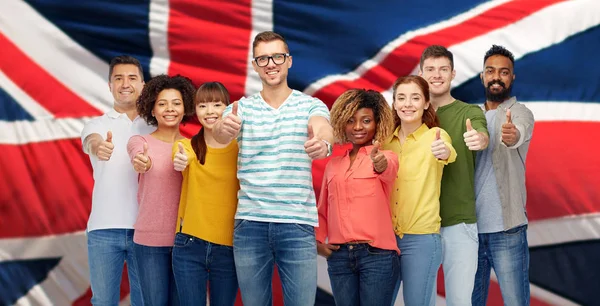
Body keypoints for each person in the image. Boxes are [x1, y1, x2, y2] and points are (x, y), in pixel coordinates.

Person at [213, 31, 334, 305]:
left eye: (277, 56)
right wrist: (223, 128)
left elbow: (324, 128)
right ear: (255, 65)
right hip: (250, 223)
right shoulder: (238, 109)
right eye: (263, 58)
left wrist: (322, 143)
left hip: (297, 223)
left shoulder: (310, 105)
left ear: (288, 61)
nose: (271, 63)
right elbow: (220, 134)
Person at [418, 45, 489, 305]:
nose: (437, 75)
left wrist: (478, 139)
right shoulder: (410, 116)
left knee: (459, 301)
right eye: (431, 69)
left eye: (443, 69)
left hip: (459, 222)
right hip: (417, 225)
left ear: (453, 73)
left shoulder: (469, 113)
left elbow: (481, 135)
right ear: (421, 73)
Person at [81, 55, 153, 306]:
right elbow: (91, 140)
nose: (125, 83)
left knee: (145, 301)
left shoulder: (154, 126)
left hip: (146, 230)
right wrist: (99, 146)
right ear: (109, 85)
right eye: (118, 78)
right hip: (103, 228)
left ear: (143, 85)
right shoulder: (97, 124)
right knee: (103, 301)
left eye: (132, 78)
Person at [316, 89, 399, 306]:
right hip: (340, 258)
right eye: (351, 121)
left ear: (377, 123)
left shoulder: (387, 157)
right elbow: (323, 210)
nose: (358, 127)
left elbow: (387, 169)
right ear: (342, 123)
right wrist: (317, 243)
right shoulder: (333, 165)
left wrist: (379, 162)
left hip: (377, 257)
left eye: (366, 121)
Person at [471, 45, 534, 306]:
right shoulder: (469, 115)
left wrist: (512, 135)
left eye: (504, 72)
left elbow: (520, 130)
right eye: (491, 71)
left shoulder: (520, 113)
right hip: (469, 233)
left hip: (507, 232)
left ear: (512, 78)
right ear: (482, 76)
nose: (497, 76)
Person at [386, 75, 457, 306]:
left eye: (415, 98)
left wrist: (443, 151)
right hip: (385, 239)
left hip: (421, 239)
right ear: (394, 103)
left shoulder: (436, 137)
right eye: (402, 98)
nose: (408, 104)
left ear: (426, 103)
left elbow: (447, 151)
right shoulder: (384, 142)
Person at [126, 74, 195, 305]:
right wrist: (141, 162)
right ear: (152, 110)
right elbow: (137, 156)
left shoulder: (194, 146)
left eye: (176, 103)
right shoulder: (140, 142)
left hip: (186, 243)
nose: (170, 109)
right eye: (162, 104)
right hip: (149, 242)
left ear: (185, 108)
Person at [171, 82, 240, 306]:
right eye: (202, 106)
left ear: (228, 108)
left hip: (230, 247)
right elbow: (181, 159)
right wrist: (180, 161)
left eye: (217, 104)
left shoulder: (242, 149)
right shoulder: (186, 146)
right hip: (190, 244)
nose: (209, 111)